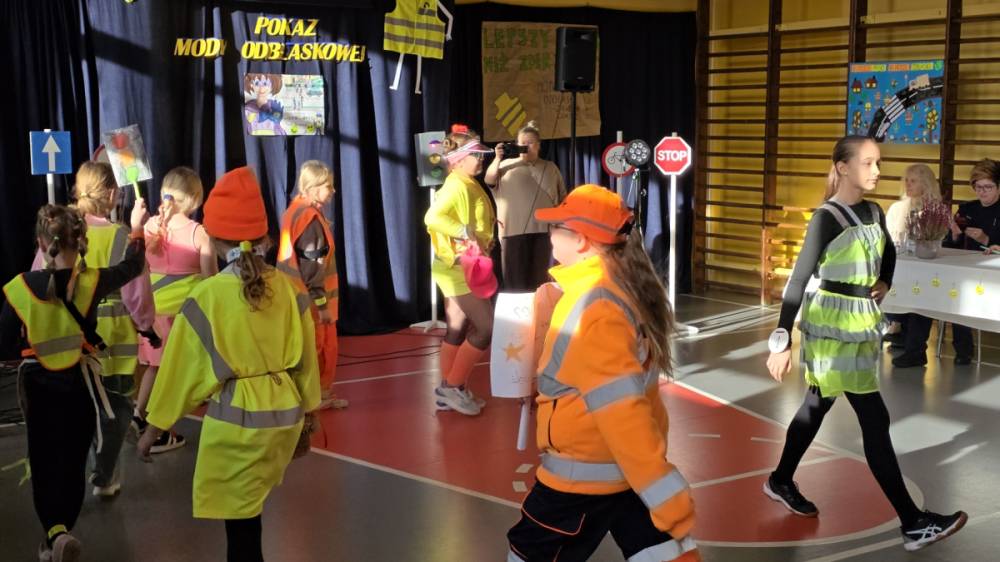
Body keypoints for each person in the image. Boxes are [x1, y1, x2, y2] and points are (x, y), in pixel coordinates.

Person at [765, 135, 967, 552]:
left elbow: (888, 252)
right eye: (868, 163)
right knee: (873, 417)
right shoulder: (825, 217)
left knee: (817, 404)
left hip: (859, 322)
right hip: (831, 324)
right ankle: (913, 522)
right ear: (842, 167)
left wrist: (885, 281)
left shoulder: (873, 211)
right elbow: (798, 281)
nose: (877, 171)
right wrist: (781, 340)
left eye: (878, 163)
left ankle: (780, 479)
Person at [138, 167, 321, 562]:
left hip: (237, 424)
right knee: (250, 515)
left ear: (216, 241)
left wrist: (154, 428)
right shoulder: (289, 289)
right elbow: (308, 356)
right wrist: (309, 412)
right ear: (266, 238)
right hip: (284, 418)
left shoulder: (208, 296)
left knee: (240, 528)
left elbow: (179, 372)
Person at [506, 184, 697, 562]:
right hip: (618, 471)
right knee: (664, 554)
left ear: (580, 239)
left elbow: (622, 411)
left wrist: (667, 497)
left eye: (556, 227)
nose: (549, 235)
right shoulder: (610, 289)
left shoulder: (595, 310)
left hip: (583, 478)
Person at [1, 201, 148, 562]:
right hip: (80, 383)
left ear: (40, 243)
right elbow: (132, 266)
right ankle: (64, 528)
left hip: (37, 386)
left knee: (44, 460)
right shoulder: (92, 281)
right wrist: (137, 228)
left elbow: (4, 342)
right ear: (81, 242)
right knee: (72, 460)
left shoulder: (19, 287)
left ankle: (54, 533)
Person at [35, 162, 156, 499]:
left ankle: (80, 469)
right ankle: (105, 475)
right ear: (114, 194)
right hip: (112, 343)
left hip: (68, 341)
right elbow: (136, 293)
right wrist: (146, 326)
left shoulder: (59, 230)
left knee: (79, 406)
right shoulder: (120, 235)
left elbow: (38, 278)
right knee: (116, 407)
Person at [132, 166, 217, 452]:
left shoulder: (148, 227)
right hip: (182, 318)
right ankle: (157, 429)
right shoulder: (198, 233)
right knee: (172, 376)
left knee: (154, 368)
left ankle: (139, 414)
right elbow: (211, 280)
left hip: (151, 314)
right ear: (195, 198)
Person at [894, 159, 1000, 367]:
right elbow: (951, 244)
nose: (982, 192)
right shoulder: (967, 208)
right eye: (978, 187)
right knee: (924, 290)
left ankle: (963, 349)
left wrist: (986, 239)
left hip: (987, 275)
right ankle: (915, 350)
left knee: (960, 294)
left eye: (987, 187)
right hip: (961, 269)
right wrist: (955, 233)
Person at [424, 128, 496, 415]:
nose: (481, 160)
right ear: (459, 159)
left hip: (455, 265)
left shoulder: (465, 182)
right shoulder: (457, 185)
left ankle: (449, 391)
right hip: (459, 268)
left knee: (456, 328)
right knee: (486, 329)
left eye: (481, 155)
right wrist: (465, 232)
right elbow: (432, 217)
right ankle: (453, 387)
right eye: (476, 155)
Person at [278, 160, 345, 410]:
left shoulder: (294, 210)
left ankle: (311, 395)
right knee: (321, 349)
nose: (333, 191)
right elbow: (312, 269)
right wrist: (322, 305)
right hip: (312, 303)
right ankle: (317, 397)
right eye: (328, 186)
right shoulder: (310, 220)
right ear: (314, 188)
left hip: (293, 296)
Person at [484, 120, 566, 291]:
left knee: (541, 283)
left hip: (544, 233)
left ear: (539, 145)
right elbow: (489, 180)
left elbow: (562, 199)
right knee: (516, 285)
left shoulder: (550, 167)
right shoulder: (505, 166)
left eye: (530, 143)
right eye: (522, 143)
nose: (526, 146)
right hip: (513, 234)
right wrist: (498, 158)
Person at [881, 164, 941, 351]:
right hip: (900, 263)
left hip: (925, 267)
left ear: (925, 183)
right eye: (906, 180)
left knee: (921, 291)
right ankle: (896, 323)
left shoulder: (935, 210)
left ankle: (910, 339)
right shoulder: (896, 208)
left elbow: (937, 242)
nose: (907, 184)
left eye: (913, 181)